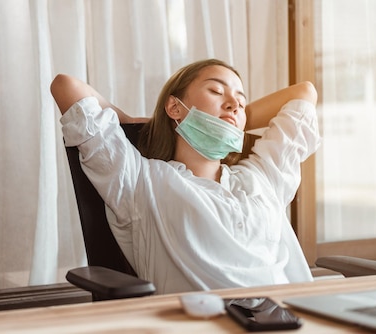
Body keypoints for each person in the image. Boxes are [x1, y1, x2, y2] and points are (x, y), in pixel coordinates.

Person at [51, 58, 320, 294]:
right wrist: (128, 119)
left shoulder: (261, 177)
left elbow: (304, 93)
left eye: (241, 101)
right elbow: (66, 86)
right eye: (216, 90)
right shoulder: (141, 180)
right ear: (175, 108)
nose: (234, 104)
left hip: (290, 315)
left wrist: (232, 116)